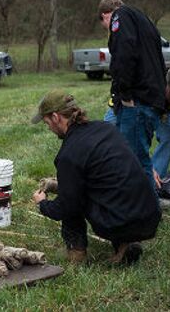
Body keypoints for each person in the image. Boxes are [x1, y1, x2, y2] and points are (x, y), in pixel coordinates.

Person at [31, 89, 161, 265]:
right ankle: (126, 244)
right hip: (150, 215)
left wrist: (42, 203)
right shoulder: (106, 129)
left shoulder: (69, 154)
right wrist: (58, 185)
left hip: (120, 221)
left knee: (73, 200)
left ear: (56, 117)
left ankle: (76, 252)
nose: (49, 128)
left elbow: (66, 207)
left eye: (47, 123)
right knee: (104, 190)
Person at [98, 0, 166, 189]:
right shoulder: (144, 21)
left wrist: (126, 95)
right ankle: (140, 206)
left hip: (136, 102)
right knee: (137, 159)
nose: (109, 31)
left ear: (105, 16)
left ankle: (147, 212)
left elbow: (124, 55)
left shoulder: (121, 16)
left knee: (135, 162)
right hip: (152, 100)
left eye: (106, 26)